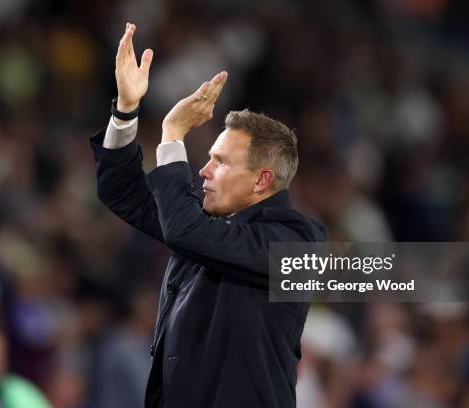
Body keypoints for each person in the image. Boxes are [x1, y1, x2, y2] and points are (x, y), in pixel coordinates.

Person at [90, 22, 326, 408]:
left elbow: (186, 231)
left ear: (261, 180)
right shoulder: (206, 224)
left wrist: (172, 136)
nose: (204, 170)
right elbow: (123, 192)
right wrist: (126, 111)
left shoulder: (295, 243)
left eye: (220, 162)